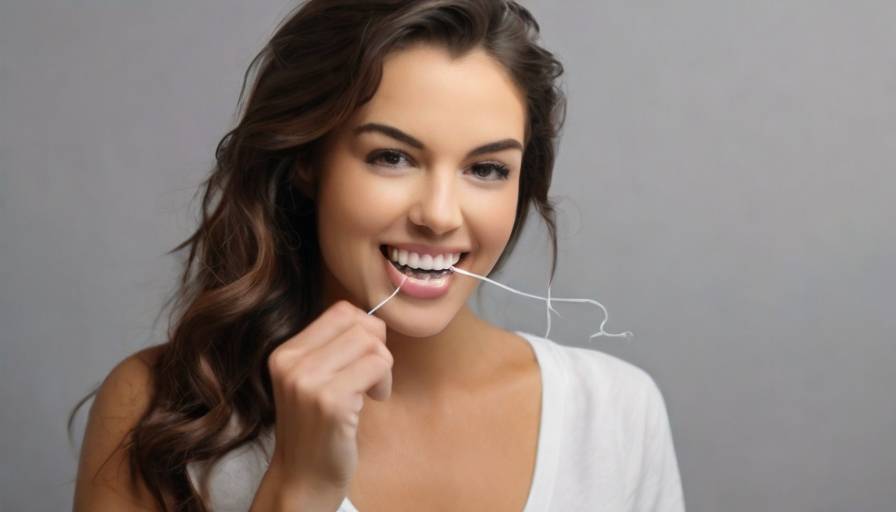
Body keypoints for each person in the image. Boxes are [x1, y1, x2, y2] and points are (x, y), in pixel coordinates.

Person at [71, 1, 685, 510]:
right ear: (307, 161)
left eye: (487, 168)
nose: (440, 215)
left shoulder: (618, 416)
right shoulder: (164, 410)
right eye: (392, 157)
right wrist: (299, 486)